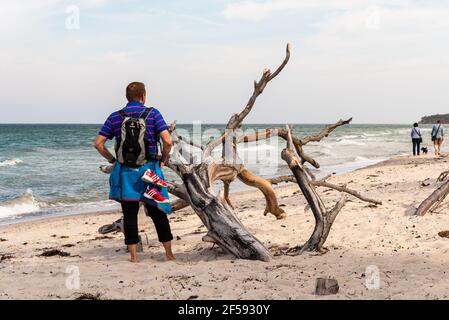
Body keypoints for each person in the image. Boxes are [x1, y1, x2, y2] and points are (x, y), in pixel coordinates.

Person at [94, 82, 175, 263]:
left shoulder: (115, 117)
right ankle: (169, 254)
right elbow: (168, 141)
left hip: (126, 174)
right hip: (150, 171)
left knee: (130, 215)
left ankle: (134, 257)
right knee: (158, 212)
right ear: (143, 96)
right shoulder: (153, 114)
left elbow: (98, 143)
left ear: (127, 98)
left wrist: (112, 161)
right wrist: (163, 160)